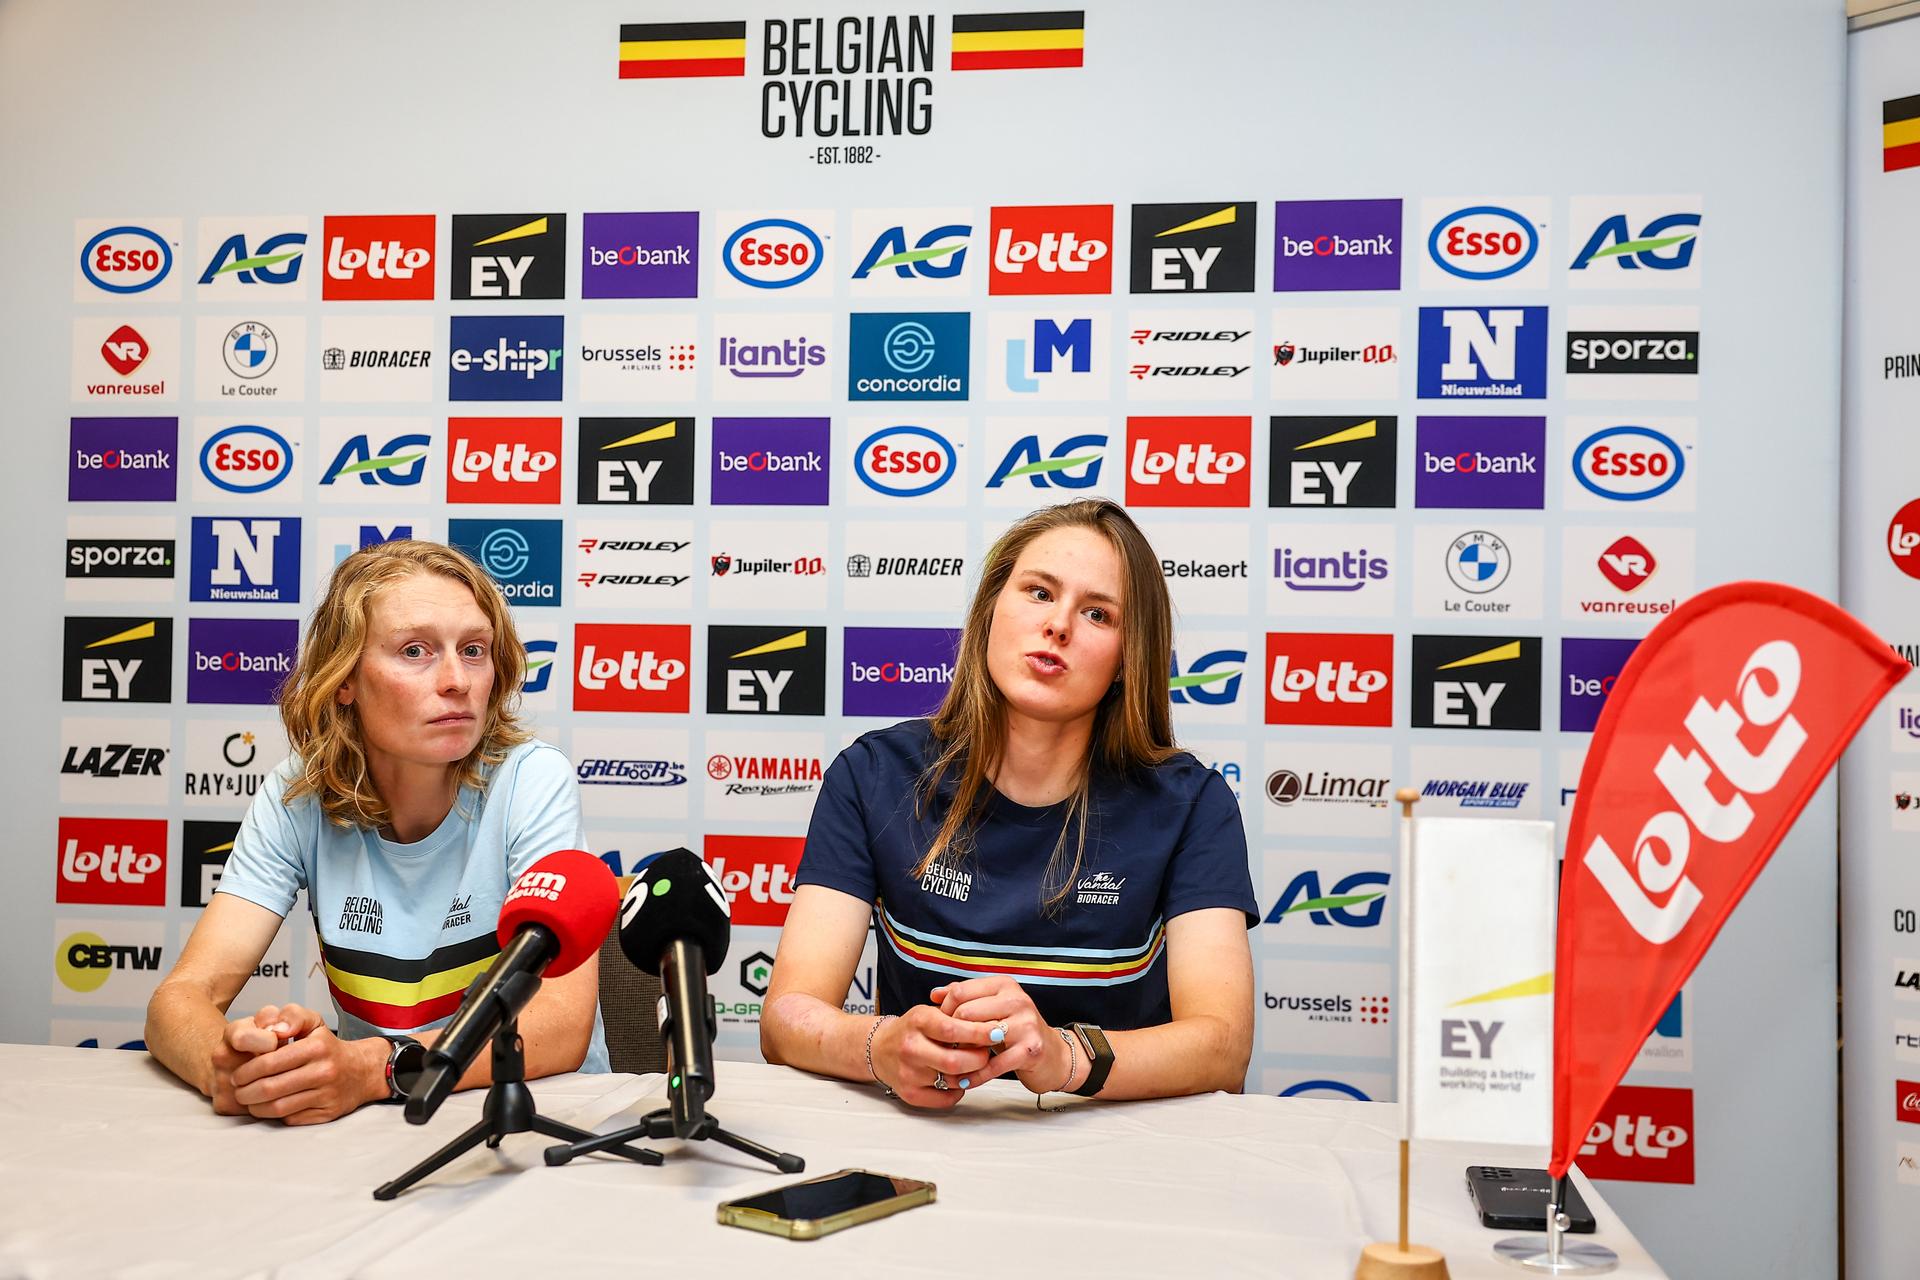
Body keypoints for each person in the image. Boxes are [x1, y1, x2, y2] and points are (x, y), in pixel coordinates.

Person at [762, 499, 1256, 1109]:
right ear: (990, 610)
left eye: (1098, 613)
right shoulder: (874, 775)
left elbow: (1223, 1046)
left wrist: (1061, 1056)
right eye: (1039, 593)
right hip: (926, 1133)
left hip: (1121, 1150)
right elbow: (787, 1017)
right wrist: (882, 1045)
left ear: (1130, 659)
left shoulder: (1192, 803)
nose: (1059, 626)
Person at [146, 539, 607, 1124]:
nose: (456, 680)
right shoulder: (297, 795)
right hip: (371, 1126)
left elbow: (562, 1024)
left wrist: (373, 1068)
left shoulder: (531, 779)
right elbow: (181, 998)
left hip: (534, 1118)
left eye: (473, 650)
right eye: (415, 651)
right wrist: (236, 1066)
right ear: (344, 679)